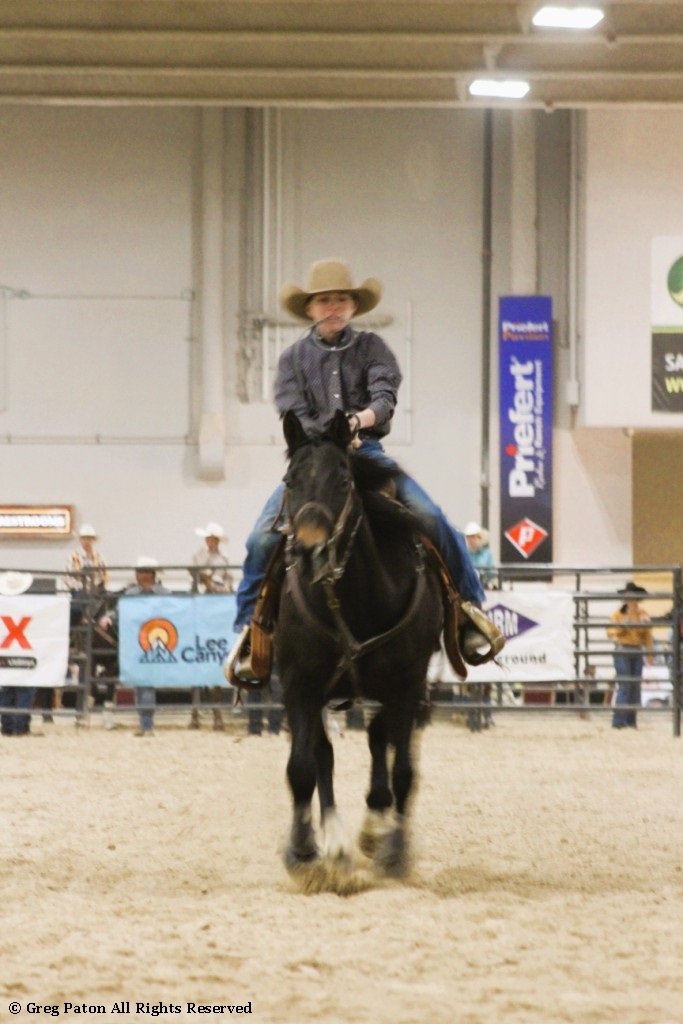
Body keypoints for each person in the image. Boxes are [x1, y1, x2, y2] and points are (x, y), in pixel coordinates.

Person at [226, 258, 501, 680]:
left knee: (431, 517)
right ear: (311, 308)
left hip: (367, 452)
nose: (332, 307)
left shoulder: (373, 349)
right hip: (315, 460)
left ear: (353, 305)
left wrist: (358, 422)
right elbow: (292, 412)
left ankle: (469, 609)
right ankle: (249, 630)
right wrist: (332, 435)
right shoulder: (292, 360)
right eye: (324, 301)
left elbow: (384, 397)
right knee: (261, 539)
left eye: (340, 299)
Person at [118, 557, 170, 736]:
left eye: (147, 572)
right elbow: (120, 613)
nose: (144, 576)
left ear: (153, 575)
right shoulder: (131, 594)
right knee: (140, 684)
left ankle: (146, 725)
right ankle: (144, 723)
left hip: (155, 642)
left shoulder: (163, 594)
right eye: (141, 572)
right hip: (136, 642)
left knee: (145, 683)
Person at [607, 581, 654, 730]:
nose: (631, 600)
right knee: (626, 685)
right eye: (629, 596)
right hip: (623, 649)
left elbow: (647, 635)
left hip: (636, 650)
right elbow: (610, 632)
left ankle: (630, 721)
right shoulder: (618, 615)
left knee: (634, 686)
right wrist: (622, 627)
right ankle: (619, 721)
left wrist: (649, 653)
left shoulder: (643, 614)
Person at [0, 571, 38, 737]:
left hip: (6, 650)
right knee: (25, 686)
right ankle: (20, 726)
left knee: (6, 686)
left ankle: (7, 725)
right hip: (24, 650)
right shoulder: (31, 606)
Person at [190, 522, 234, 594]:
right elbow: (193, 572)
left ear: (217, 541)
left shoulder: (224, 557)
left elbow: (229, 576)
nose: (208, 541)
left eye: (211, 539)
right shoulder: (198, 554)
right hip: (201, 590)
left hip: (220, 590)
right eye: (207, 538)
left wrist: (227, 586)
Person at [463, 521, 496, 588]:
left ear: (480, 537)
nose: (471, 540)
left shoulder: (487, 554)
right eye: (468, 537)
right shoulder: (464, 554)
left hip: (484, 588)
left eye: (473, 537)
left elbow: (492, 573)